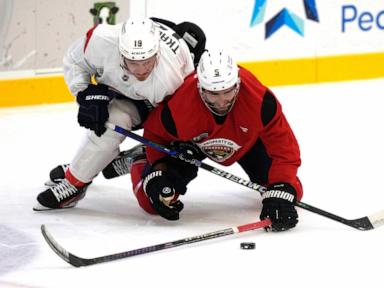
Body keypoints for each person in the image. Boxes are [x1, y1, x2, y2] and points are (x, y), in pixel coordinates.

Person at [114, 49, 303, 231]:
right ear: (200, 88)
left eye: (227, 92)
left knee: (291, 191)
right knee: (153, 201)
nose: (221, 102)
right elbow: (155, 134)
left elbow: (285, 150)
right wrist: (159, 166)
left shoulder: (261, 101)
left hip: (248, 143)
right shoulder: (181, 104)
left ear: (237, 84)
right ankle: (140, 159)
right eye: (213, 94)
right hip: (193, 146)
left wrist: (281, 187)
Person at [34, 17, 206, 210]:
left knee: (115, 122)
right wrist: (84, 92)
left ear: (157, 52)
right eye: (133, 62)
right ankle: (76, 181)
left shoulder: (170, 77)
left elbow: (172, 123)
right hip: (117, 87)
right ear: (120, 50)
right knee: (107, 127)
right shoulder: (101, 40)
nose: (141, 70)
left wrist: (167, 150)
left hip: (157, 102)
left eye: (147, 62)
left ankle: (136, 156)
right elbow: (74, 61)